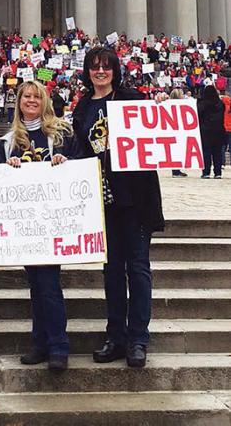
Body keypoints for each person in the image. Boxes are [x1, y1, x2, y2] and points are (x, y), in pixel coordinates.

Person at [72, 46, 165, 368]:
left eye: (106, 66)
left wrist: (162, 110)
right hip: (103, 202)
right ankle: (116, 337)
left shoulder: (132, 99)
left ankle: (138, 339)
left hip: (136, 200)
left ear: (115, 70)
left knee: (137, 270)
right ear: (87, 71)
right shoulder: (83, 107)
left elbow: (154, 131)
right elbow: (80, 150)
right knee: (112, 272)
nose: (100, 72)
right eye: (95, 67)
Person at [1, 80, 76, 371]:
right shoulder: (10, 139)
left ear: (45, 100)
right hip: (26, 223)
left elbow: (80, 162)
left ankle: (58, 345)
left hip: (53, 221)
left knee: (48, 285)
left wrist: (64, 159)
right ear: (19, 102)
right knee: (35, 284)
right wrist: (7, 168)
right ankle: (40, 342)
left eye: (36, 96)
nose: (31, 101)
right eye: (26, 97)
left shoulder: (61, 133)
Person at [198, 85, 225, 179]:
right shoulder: (220, 104)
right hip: (219, 130)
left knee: (206, 152)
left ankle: (206, 172)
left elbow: (198, 114)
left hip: (205, 130)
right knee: (217, 152)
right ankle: (218, 172)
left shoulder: (202, 104)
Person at [168, 89, 188, 178]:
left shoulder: (168, 105)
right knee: (176, 151)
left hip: (173, 131)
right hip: (175, 131)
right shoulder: (178, 106)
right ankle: (175, 171)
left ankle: (176, 170)